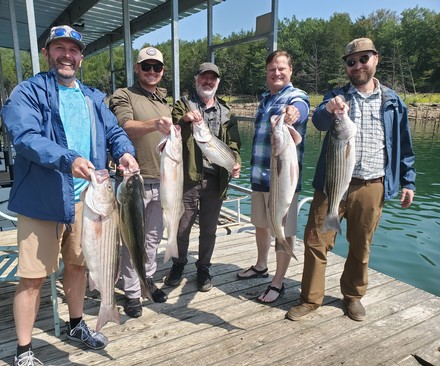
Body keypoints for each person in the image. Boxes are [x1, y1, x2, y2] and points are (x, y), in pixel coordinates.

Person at [1, 25, 138, 366]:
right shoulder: (29, 92)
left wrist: (124, 151)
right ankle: (24, 349)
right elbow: (25, 136)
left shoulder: (93, 97)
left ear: (81, 56)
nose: (66, 54)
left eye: (73, 49)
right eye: (59, 48)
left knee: (77, 267)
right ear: (47, 53)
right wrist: (69, 158)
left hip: (89, 200)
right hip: (42, 201)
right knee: (32, 277)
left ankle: (76, 325)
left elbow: (115, 130)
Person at [286, 37, 416, 322]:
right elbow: (319, 121)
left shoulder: (393, 100)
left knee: (361, 244)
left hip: (372, 184)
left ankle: (353, 296)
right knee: (315, 241)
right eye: (351, 62)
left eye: (363, 59)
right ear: (346, 67)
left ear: (375, 59)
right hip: (332, 184)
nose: (357, 65)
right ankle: (310, 299)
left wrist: (409, 181)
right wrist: (329, 109)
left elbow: (404, 145)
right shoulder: (338, 96)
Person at [236, 51, 310, 303]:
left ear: (290, 71)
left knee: (283, 230)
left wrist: (293, 113)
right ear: (266, 72)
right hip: (259, 175)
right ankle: (260, 265)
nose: (276, 73)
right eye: (271, 70)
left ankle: (277, 282)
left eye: (281, 69)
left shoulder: (295, 96)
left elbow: (300, 109)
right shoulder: (266, 99)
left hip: (284, 181)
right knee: (260, 224)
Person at [164, 62, 241, 292]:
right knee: (182, 227)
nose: (208, 82)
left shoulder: (227, 112)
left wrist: (235, 162)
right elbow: (172, 130)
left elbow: (234, 144)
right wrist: (185, 120)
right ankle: (178, 264)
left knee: (209, 229)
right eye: (204, 78)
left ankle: (203, 268)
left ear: (217, 83)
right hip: (187, 178)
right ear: (196, 79)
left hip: (216, 180)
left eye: (212, 79)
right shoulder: (183, 105)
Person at [109, 47, 173, 318]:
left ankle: (147, 280)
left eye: (156, 67)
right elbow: (123, 125)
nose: (151, 72)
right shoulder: (124, 94)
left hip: (164, 181)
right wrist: (155, 124)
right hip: (133, 182)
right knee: (131, 240)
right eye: (146, 66)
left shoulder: (164, 100)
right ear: (137, 68)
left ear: (162, 71)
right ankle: (132, 293)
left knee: (152, 239)